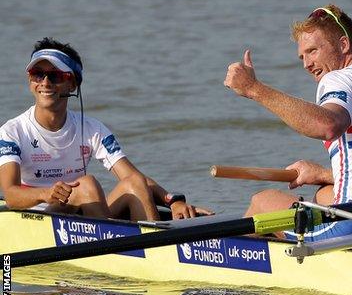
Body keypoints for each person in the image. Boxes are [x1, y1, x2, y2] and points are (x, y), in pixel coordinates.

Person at [224, 4, 352, 240]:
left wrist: (254, 89)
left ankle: (239, 264)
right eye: (302, 56)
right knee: (324, 195)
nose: (306, 64)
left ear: (343, 45)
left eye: (312, 51)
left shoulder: (340, 78)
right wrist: (322, 173)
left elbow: (328, 125)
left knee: (262, 202)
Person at [0, 37, 212, 221]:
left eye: (54, 76)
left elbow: (133, 176)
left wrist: (173, 201)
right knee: (86, 184)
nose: (45, 82)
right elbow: (10, 195)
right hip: (37, 219)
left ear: (72, 84)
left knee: (134, 183)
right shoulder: (13, 131)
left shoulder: (92, 128)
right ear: (30, 80)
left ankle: (155, 251)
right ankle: (122, 251)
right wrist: (46, 194)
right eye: (38, 74)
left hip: (82, 210)